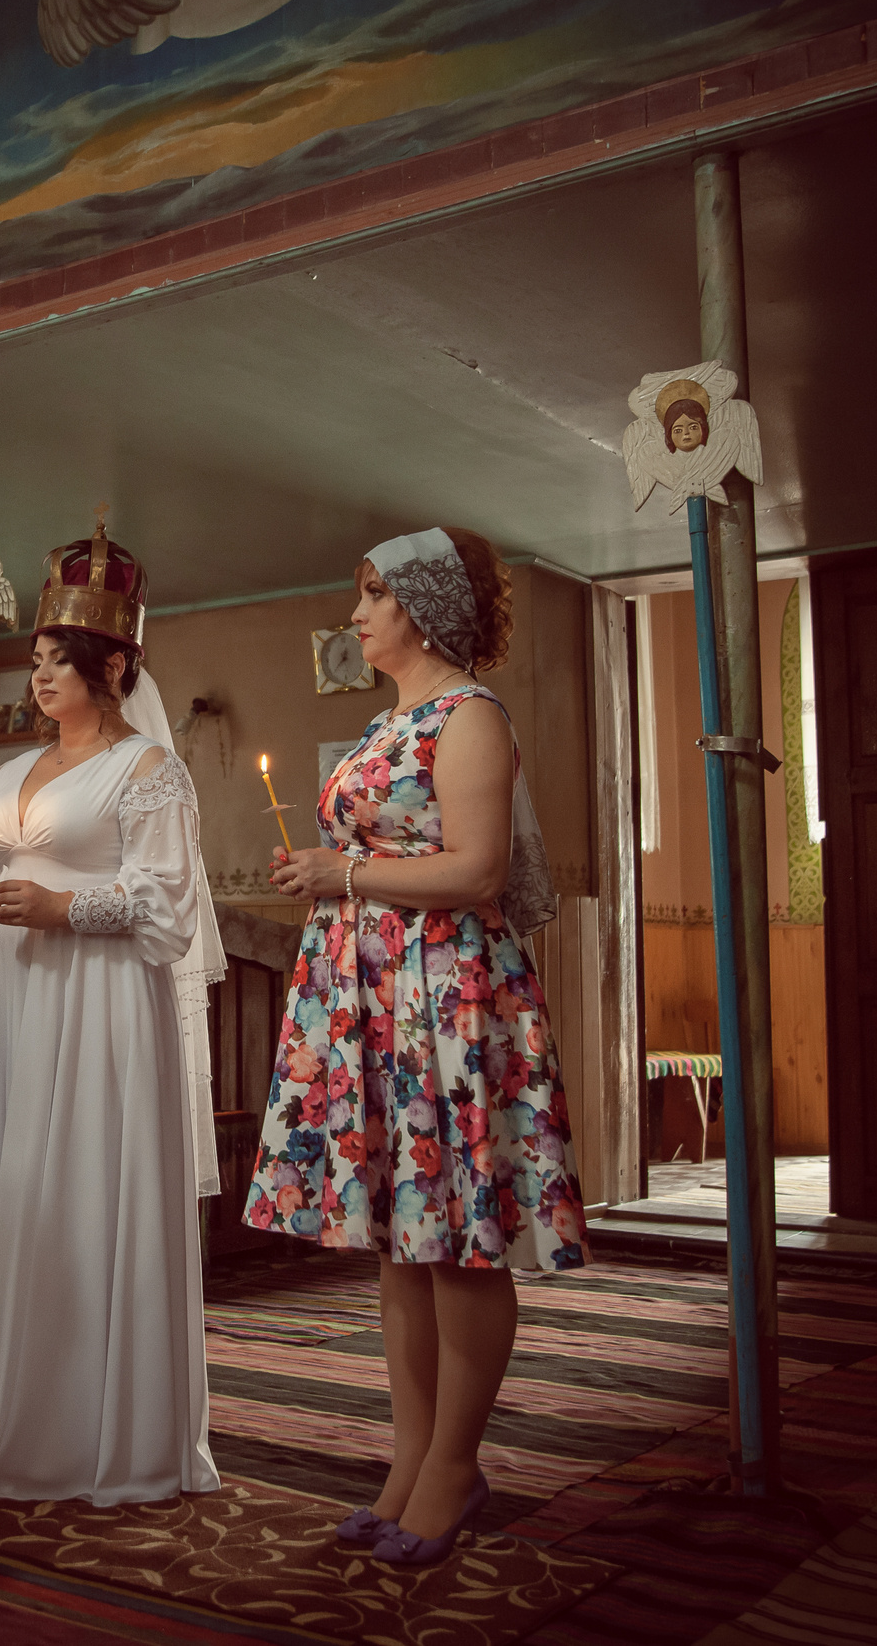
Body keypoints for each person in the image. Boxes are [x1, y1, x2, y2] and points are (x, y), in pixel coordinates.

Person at [244, 525, 584, 1567]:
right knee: (401, 1240)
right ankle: (408, 1457)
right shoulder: (383, 724)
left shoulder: (470, 717)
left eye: (372, 595)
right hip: (370, 989)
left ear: (425, 608)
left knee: (460, 1237)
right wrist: (323, 873)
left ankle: (453, 1466)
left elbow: (478, 872)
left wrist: (340, 874)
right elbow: (378, 855)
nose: (355, 617)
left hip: (443, 994)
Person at [0, 525, 221, 1504]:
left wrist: (63, 907)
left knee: (93, 1187)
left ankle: (111, 1433)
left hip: (103, 1008)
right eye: (38, 659)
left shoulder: (147, 772)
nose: (42, 675)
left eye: (61, 660)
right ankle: (14, 1410)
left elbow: (169, 906)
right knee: (23, 1193)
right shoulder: (8, 778)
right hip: (21, 1001)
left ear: (115, 664)